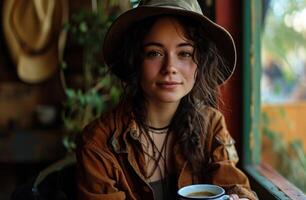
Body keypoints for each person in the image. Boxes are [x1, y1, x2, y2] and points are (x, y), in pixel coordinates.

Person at [76, 0, 258, 200]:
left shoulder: (211, 125)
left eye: (185, 53)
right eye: (155, 53)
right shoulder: (99, 143)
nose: (170, 67)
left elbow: (233, 186)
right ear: (135, 60)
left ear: (201, 63)